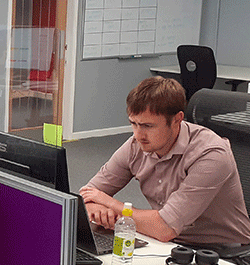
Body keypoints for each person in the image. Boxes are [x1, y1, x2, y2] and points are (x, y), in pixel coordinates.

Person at [80, 76, 250, 247]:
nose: (139, 135)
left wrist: (109, 203)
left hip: (223, 255)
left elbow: (164, 228)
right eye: (134, 123)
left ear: (177, 119)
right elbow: (86, 196)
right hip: (168, 244)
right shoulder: (136, 145)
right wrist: (94, 208)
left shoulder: (210, 154)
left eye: (148, 126)